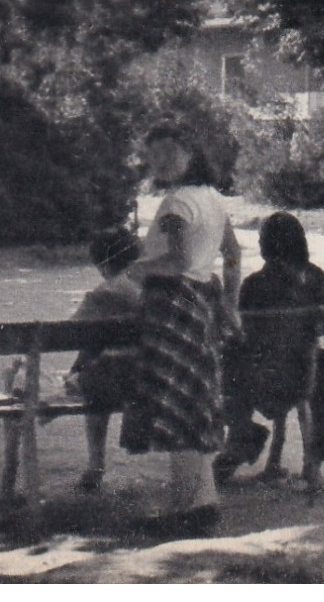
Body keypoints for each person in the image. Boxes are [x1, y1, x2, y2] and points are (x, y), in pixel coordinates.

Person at [118, 127, 242, 538]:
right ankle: (204, 501)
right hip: (200, 307)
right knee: (194, 402)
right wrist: (229, 304)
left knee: (177, 409)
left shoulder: (176, 203)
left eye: (170, 153)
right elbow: (233, 255)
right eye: (155, 155)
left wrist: (139, 268)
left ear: (191, 152)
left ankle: (182, 508)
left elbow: (177, 260)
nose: (162, 162)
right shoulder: (213, 200)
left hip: (171, 308)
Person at [217, 212, 324, 490]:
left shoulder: (254, 284)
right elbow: (318, 325)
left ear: (268, 244)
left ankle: (241, 439)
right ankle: (308, 469)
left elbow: (245, 329)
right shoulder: (315, 276)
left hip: (262, 377)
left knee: (228, 365)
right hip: (306, 369)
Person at [63, 227, 145, 494]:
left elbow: (69, 332)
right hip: (150, 375)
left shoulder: (103, 293)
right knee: (102, 355)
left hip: (110, 383)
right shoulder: (146, 289)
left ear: (102, 264)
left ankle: (96, 462)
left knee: (94, 360)